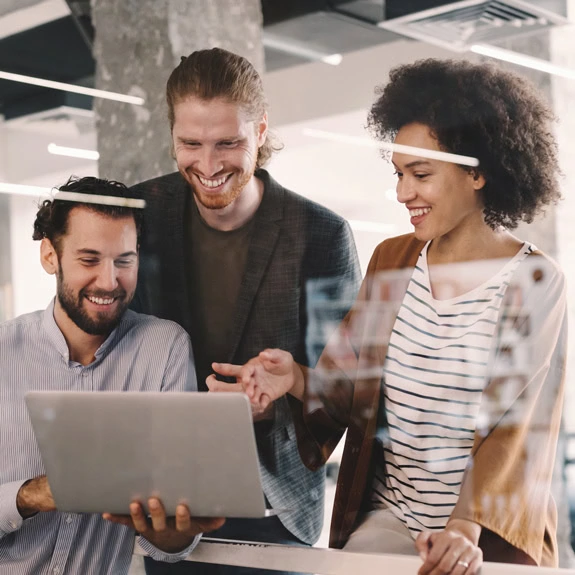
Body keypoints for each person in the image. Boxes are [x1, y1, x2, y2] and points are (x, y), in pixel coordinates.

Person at [215, 58, 568, 574]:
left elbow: (516, 429)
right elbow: (347, 388)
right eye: (400, 174)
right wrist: (291, 377)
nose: (404, 192)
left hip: (480, 532)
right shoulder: (393, 260)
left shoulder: (536, 282)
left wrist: (465, 527)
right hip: (391, 517)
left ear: (479, 172)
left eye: (421, 174)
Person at [130, 47, 361, 574]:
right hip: (168, 496)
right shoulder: (140, 216)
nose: (208, 166)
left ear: (260, 130)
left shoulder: (321, 235)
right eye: (190, 143)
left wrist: (277, 399)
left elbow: (348, 391)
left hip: (274, 504)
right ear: (171, 134)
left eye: (228, 143)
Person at [0, 176, 224, 574]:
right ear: (50, 256)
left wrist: (175, 529)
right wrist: (32, 495)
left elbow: (170, 546)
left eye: (124, 261)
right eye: (89, 260)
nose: (109, 281)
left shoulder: (165, 348)